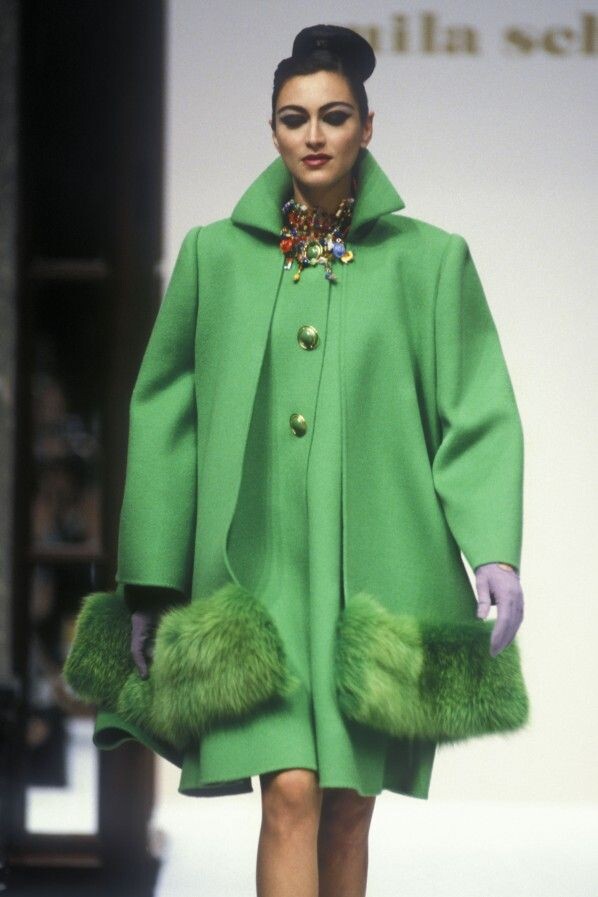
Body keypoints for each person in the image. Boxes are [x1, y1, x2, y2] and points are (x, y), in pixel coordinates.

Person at [67, 24, 527, 897]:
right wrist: (152, 580)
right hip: (255, 581)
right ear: (273, 129)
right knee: (288, 794)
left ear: (367, 126)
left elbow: (476, 410)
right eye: (293, 117)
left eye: (334, 115)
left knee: (349, 808)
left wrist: (493, 549)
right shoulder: (214, 257)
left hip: (375, 582)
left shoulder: (431, 262)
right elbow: (166, 419)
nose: (314, 134)